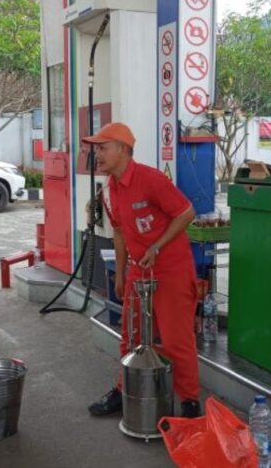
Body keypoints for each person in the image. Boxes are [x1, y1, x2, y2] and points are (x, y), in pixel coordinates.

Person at [84, 122, 202, 418]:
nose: (97, 154)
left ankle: (189, 402)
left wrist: (157, 246)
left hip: (172, 269)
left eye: (103, 148)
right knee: (131, 336)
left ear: (123, 150)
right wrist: (121, 272)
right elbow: (120, 232)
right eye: (96, 149)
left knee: (176, 341)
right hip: (138, 271)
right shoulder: (108, 190)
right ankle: (124, 389)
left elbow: (187, 213)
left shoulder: (151, 179)